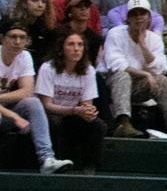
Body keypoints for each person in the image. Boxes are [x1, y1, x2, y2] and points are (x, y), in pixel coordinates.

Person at [101, 0, 167, 140]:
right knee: (123, 75)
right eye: (134, 14)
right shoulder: (115, 33)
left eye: (142, 14)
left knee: (162, 80)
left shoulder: (154, 39)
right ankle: (123, 124)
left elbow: (161, 68)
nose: (138, 18)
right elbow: (115, 64)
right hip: (113, 84)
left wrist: (143, 45)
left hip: (139, 87)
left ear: (149, 18)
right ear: (128, 18)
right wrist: (145, 74)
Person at [0, 24, 69, 173]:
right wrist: (14, 116)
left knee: (32, 102)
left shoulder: (24, 56)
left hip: (4, 110)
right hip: (5, 112)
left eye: (22, 37)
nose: (18, 42)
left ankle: (47, 159)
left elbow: (27, 91)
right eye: (13, 37)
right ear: (2, 39)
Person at [35, 31, 104, 171]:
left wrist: (88, 111)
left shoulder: (89, 70)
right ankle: (54, 163)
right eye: (71, 44)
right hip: (50, 114)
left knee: (97, 125)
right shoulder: (48, 68)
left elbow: (87, 104)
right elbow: (46, 105)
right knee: (54, 123)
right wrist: (74, 110)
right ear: (61, 49)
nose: (76, 49)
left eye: (80, 45)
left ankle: (89, 167)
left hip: (73, 114)